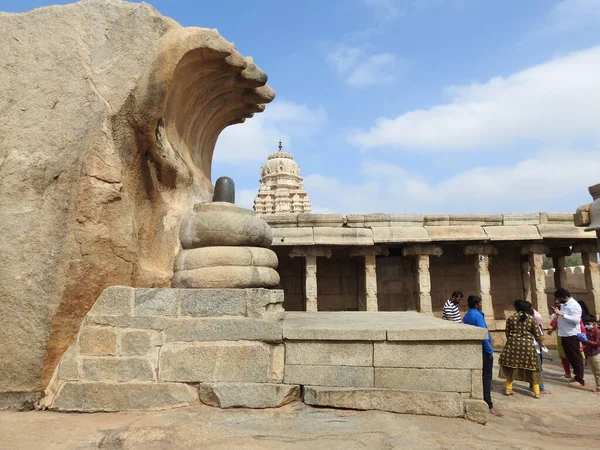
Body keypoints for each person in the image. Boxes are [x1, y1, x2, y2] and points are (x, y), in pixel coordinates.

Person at [463, 295, 503, 416]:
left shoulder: (467, 315)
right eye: (480, 303)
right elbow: (483, 335)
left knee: (479, 376)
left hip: (474, 350)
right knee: (486, 377)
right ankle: (488, 404)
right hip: (483, 350)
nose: (481, 304)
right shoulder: (477, 315)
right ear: (476, 304)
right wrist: (490, 351)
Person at [499, 300, 543, 398]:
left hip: (512, 345)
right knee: (532, 368)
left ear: (517, 308)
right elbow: (537, 335)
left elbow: (507, 333)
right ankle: (536, 392)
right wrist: (541, 342)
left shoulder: (511, 318)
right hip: (527, 346)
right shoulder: (531, 319)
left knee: (511, 367)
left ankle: (508, 389)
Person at [553, 288, 585, 388]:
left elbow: (576, 320)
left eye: (559, 298)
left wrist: (562, 314)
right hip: (564, 334)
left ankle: (580, 380)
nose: (558, 300)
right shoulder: (563, 305)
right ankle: (576, 376)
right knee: (570, 356)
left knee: (576, 358)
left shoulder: (574, 305)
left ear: (565, 297)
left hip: (572, 335)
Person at [547, 299, 572, 378]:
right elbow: (555, 324)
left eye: (559, 303)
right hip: (560, 336)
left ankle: (578, 375)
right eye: (556, 304)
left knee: (572, 355)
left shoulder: (569, 312)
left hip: (570, 335)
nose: (557, 305)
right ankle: (567, 373)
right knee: (563, 355)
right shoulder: (556, 315)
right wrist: (551, 330)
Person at [582, 316, 600, 395]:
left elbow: (597, 344)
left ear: (594, 323)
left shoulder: (597, 331)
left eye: (588, 323)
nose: (587, 325)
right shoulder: (588, 331)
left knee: (598, 371)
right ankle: (598, 387)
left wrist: (586, 341)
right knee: (594, 372)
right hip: (590, 353)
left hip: (596, 353)